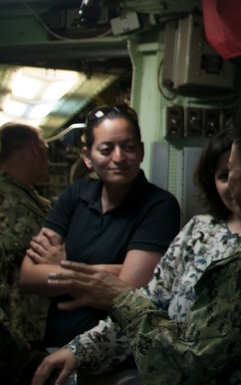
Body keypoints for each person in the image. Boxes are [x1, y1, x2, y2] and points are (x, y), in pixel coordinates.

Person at [38, 107, 241, 383]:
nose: (229, 183)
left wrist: (121, 296)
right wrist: (80, 350)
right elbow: (156, 298)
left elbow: (183, 368)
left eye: (231, 171)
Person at [32, 127, 241, 384]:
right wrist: (78, 351)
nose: (233, 186)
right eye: (223, 176)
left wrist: (66, 268)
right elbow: (147, 305)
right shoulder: (199, 232)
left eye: (239, 174)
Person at [19, 105, 180, 348]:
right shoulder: (76, 194)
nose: (119, 157)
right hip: (55, 345)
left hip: (115, 352)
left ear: (141, 151)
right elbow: (29, 275)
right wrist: (107, 272)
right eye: (106, 149)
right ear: (87, 157)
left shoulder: (159, 205)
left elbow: (128, 292)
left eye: (129, 148)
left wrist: (61, 265)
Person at [0, 123, 52, 383]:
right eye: (45, 148)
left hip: (29, 337)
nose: (48, 157)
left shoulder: (29, 199)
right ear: (33, 149)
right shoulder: (7, 201)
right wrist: (14, 346)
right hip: (14, 344)